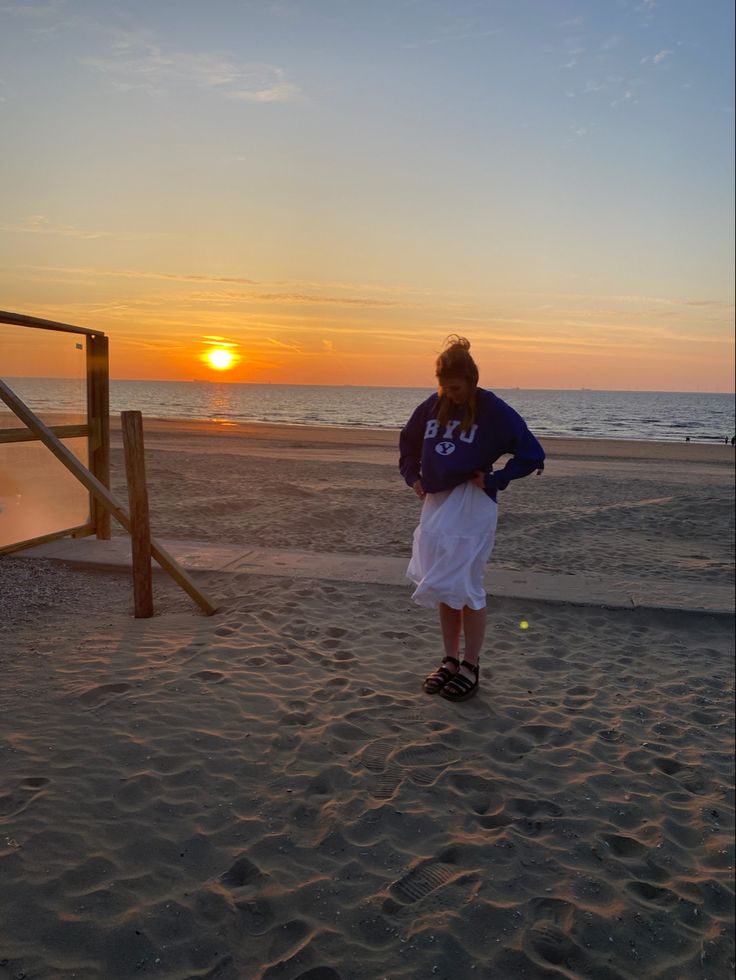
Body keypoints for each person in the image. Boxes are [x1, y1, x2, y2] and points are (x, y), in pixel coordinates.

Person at [399, 336, 545, 702]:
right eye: (445, 387)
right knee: (444, 585)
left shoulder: (492, 409)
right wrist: (413, 477)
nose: (451, 394)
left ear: (473, 380)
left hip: (472, 503)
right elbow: (408, 442)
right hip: (436, 502)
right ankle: (450, 660)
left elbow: (532, 452)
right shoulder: (433, 406)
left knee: (466, 584)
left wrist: (496, 479)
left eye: (457, 387)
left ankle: (471, 665)